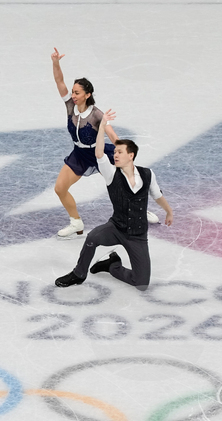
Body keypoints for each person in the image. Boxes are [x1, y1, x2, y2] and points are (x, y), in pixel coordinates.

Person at [55, 109, 173, 292]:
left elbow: (157, 195)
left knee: (141, 284)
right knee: (93, 237)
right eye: (115, 152)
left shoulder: (148, 174)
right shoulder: (111, 174)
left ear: (131, 155)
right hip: (116, 228)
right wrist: (102, 127)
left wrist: (168, 211)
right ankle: (78, 274)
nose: (115, 155)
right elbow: (100, 153)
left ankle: (111, 265)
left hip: (137, 236)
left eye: (119, 152)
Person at [51, 48, 121, 238]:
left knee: (123, 187)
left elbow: (111, 134)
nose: (73, 95)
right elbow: (59, 81)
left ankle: (140, 210)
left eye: (77, 93)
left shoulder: (97, 114)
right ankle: (76, 222)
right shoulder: (70, 106)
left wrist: (121, 150)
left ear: (87, 94)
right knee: (60, 188)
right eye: (73, 92)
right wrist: (56, 62)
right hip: (79, 155)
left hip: (99, 154)